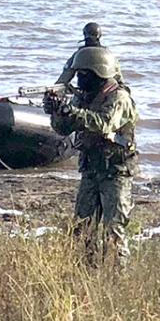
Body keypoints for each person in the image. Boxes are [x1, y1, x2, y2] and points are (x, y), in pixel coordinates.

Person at [44, 46, 138, 264]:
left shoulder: (118, 97)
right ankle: (85, 273)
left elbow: (103, 124)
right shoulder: (84, 98)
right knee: (81, 229)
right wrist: (56, 111)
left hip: (115, 171)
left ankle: (118, 277)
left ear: (99, 73)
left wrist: (71, 111)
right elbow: (62, 129)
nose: (79, 79)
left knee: (113, 232)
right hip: (91, 169)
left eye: (84, 74)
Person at [55, 22, 125, 87]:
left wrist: (58, 87)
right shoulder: (108, 55)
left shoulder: (79, 54)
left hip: (90, 89)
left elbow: (66, 76)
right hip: (100, 89)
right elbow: (118, 77)